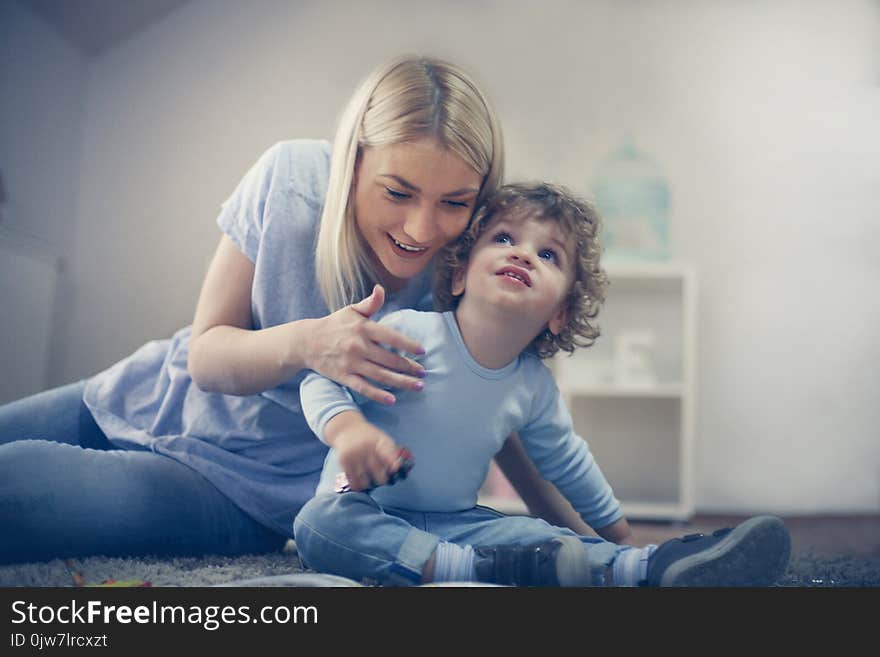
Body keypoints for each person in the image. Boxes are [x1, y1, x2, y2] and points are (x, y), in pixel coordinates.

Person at [0, 55, 576, 565]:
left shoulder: (466, 267)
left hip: (242, 489)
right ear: (352, 163)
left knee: (17, 485)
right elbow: (206, 356)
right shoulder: (292, 180)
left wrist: (590, 542)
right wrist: (308, 344)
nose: (421, 229)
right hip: (154, 393)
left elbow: (503, 415)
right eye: (397, 193)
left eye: (454, 203)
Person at [294, 183, 792, 586]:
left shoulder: (532, 386)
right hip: (365, 508)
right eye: (505, 239)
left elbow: (568, 464)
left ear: (560, 314)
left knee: (543, 537)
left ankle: (649, 568)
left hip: (459, 522)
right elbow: (321, 381)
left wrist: (620, 537)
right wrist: (349, 431)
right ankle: (468, 570)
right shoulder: (408, 332)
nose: (524, 254)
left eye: (549, 254)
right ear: (461, 273)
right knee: (318, 526)